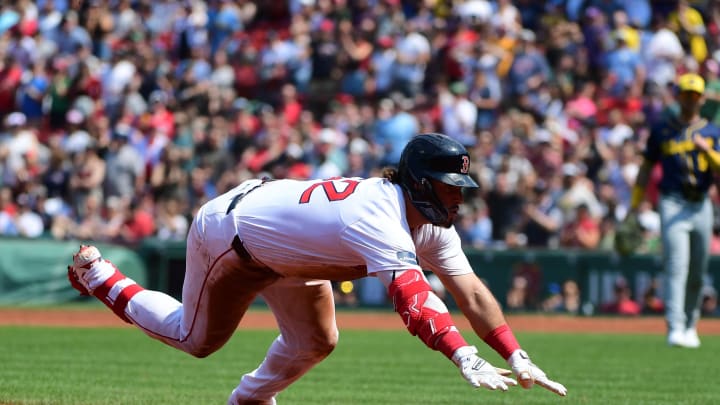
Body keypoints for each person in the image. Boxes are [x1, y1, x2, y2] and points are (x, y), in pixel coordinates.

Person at [67, 133, 567, 404]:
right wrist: (464, 357)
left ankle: (250, 401)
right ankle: (100, 276)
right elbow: (415, 302)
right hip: (232, 235)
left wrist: (514, 352)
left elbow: (472, 294)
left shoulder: (429, 221)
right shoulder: (378, 213)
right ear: (417, 182)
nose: (457, 196)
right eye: (447, 186)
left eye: (459, 187)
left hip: (291, 253)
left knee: (316, 342)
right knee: (196, 340)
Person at [629, 73, 720, 348]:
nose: (690, 100)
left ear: (702, 98)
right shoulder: (662, 130)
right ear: (678, 96)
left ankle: (691, 325)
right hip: (672, 202)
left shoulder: (712, 131)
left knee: (697, 269)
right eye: (685, 94)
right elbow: (646, 169)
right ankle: (675, 326)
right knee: (676, 264)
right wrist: (634, 205)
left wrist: (706, 151)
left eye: (695, 95)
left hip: (701, 203)